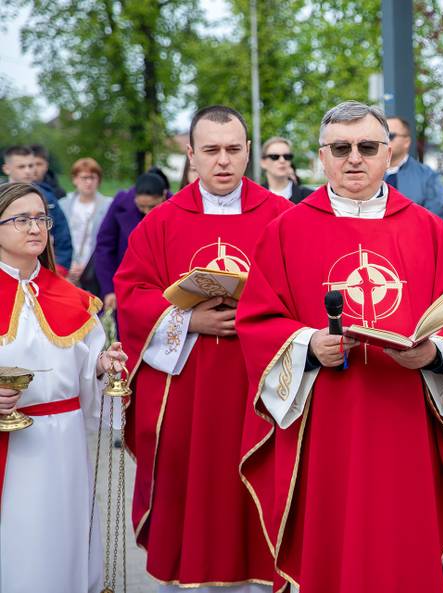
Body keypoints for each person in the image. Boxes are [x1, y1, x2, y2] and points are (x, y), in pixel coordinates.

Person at [236, 101, 443, 593]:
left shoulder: (428, 231)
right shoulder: (287, 230)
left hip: (404, 417)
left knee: (400, 544)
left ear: (389, 154)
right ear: (321, 158)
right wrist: (307, 343)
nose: (354, 159)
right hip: (327, 419)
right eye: (340, 148)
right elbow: (257, 320)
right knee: (334, 546)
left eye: (368, 147)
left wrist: (433, 355)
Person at [115, 105, 291, 590]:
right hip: (189, 393)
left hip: (261, 389)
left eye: (234, 149)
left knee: (259, 488)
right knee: (196, 491)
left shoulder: (283, 217)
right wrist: (189, 319)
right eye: (210, 150)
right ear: (191, 154)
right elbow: (130, 298)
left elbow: (304, 294)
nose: (223, 161)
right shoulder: (162, 223)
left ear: (249, 152)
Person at [0, 181, 127, 592]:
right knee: (20, 546)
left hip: (66, 443)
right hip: (13, 451)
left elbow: (87, 366)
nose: (35, 227)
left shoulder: (74, 300)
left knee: (68, 538)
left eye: (41, 218)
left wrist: (103, 367)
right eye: (21, 219)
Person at [94, 171, 168, 312]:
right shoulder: (121, 203)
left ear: (163, 196)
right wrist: (109, 289)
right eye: (141, 207)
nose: (147, 212)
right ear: (134, 198)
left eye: (152, 207)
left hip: (160, 286)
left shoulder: (175, 207)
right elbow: (104, 247)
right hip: (125, 284)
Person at [2, 145, 73, 270]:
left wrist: (58, 271)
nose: (28, 171)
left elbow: (63, 238)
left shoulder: (49, 198)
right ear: (7, 168)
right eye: (21, 167)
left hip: (43, 270)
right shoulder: (1, 198)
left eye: (31, 166)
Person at [58, 158, 112, 290]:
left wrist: (89, 266)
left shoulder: (108, 205)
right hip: (67, 267)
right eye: (84, 178)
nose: (89, 182)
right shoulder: (63, 204)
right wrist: (66, 265)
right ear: (75, 179)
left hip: (95, 269)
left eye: (93, 177)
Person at [384, 116, 443, 221]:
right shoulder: (368, 175)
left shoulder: (427, 176)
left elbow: (437, 218)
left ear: (407, 142)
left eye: (390, 136)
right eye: (382, 136)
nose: (385, 141)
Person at [259, 136, 313, 203]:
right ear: (263, 162)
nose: (282, 160)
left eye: (287, 156)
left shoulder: (310, 197)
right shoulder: (254, 197)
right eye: (274, 157)